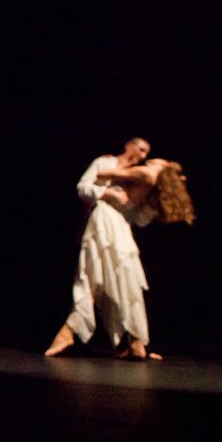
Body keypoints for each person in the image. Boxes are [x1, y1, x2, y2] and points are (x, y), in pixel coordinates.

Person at [44, 137, 170, 361]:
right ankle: (68, 333)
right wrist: (106, 193)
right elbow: (83, 187)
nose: (141, 156)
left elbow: (136, 219)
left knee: (129, 280)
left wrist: (151, 208)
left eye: (145, 153)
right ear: (127, 145)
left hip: (120, 229)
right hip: (100, 221)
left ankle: (136, 341)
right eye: (140, 149)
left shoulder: (138, 178)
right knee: (93, 276)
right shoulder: (104, 163)